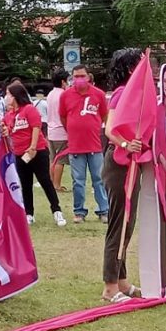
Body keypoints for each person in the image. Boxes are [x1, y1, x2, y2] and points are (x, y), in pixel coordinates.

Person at [100, 48, 146, 303]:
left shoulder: (135, 94)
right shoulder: (121, 94)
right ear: (131, 69)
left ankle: (122, 280)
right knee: (118, 225)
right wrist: (127, 145)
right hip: (118, 163)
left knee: (127, 224)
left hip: (130, 164)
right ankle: (109, 287)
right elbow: (110, 129)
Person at [2, 82, 65, 226]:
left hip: (37, 151)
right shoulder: (9, 115)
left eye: (9, 94)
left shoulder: (29, 109)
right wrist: (4, 130)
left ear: (16, 95)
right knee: (25, 184)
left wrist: (32, 146)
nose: (7, 97)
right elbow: (8, 131)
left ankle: (57, 210)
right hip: (19, 154)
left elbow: (36, 127)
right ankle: (29, 213)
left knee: (45, 181)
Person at [59, 64, 109, 223]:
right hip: (75, 146)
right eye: (76, 76)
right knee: (78, 181)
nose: (79, 79)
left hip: (94, 145)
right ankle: (79, 212)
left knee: (99, 179)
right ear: (72, 78)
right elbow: (63, 117)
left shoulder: (99, 95)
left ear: (88, 77)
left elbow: (104, 116)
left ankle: (103, 210)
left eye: (82, 76)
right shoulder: (65, 96)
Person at [46, 69, 70, 192]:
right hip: (61, 131)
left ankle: (52, 183)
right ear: (63, 82)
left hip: (51, 131)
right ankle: (56, 185)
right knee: (60, 160)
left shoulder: (50, 94)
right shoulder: (63, 94)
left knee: (53, 159)